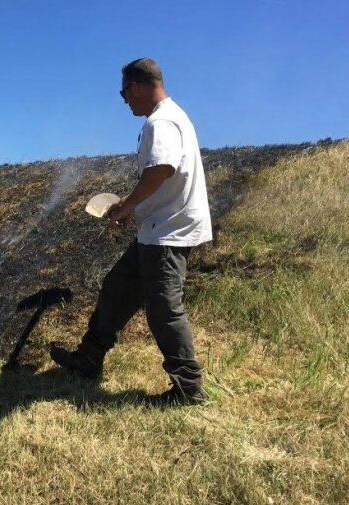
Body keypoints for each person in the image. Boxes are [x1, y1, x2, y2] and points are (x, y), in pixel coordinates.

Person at [50, 58, 212, 403]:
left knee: (164, 308)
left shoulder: (162, 122)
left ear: (136, 87)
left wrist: (126, 205)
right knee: (117, 288)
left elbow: (161, 169)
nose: (125, 101)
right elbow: (161, 175)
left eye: (125, 94)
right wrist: (133, 207)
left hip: (169, 232)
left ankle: (188, 388)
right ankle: (89, 358)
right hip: (156, 230)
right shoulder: (170, 117)